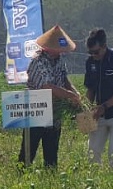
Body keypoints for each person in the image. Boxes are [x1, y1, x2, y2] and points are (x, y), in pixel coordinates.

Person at [22, 25, 83, 169]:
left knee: (51, 150)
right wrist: (69, 95)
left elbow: (64, 79)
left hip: (54, 112)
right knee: (28, 150)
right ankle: (22, 176)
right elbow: (47, 86)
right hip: (37, 111)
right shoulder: (39, 61)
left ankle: (50, 175)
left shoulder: (59, 60)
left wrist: (75, 92)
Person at [83, 29, 113, 169]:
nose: (93, 55)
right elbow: (90, 90)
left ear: (104, 46)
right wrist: (86, 110)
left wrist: (104, 107)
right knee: (93, 153)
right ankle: (94, 183)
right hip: (99, 114)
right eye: (90, 52)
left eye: (96, 52)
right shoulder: (90, 63)